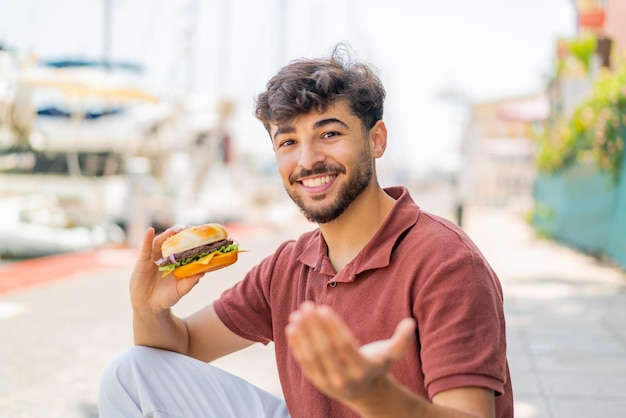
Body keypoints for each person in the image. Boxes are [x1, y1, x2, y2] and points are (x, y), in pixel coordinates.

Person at [99, 45, 514, 418]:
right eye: (288, 142)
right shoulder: (289, 265)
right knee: (130, 372)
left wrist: (373, 396)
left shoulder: (447, 261)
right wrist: (150, 309)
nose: (308, 159)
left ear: (376, 140)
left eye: (329, 134)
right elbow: (182, 348)